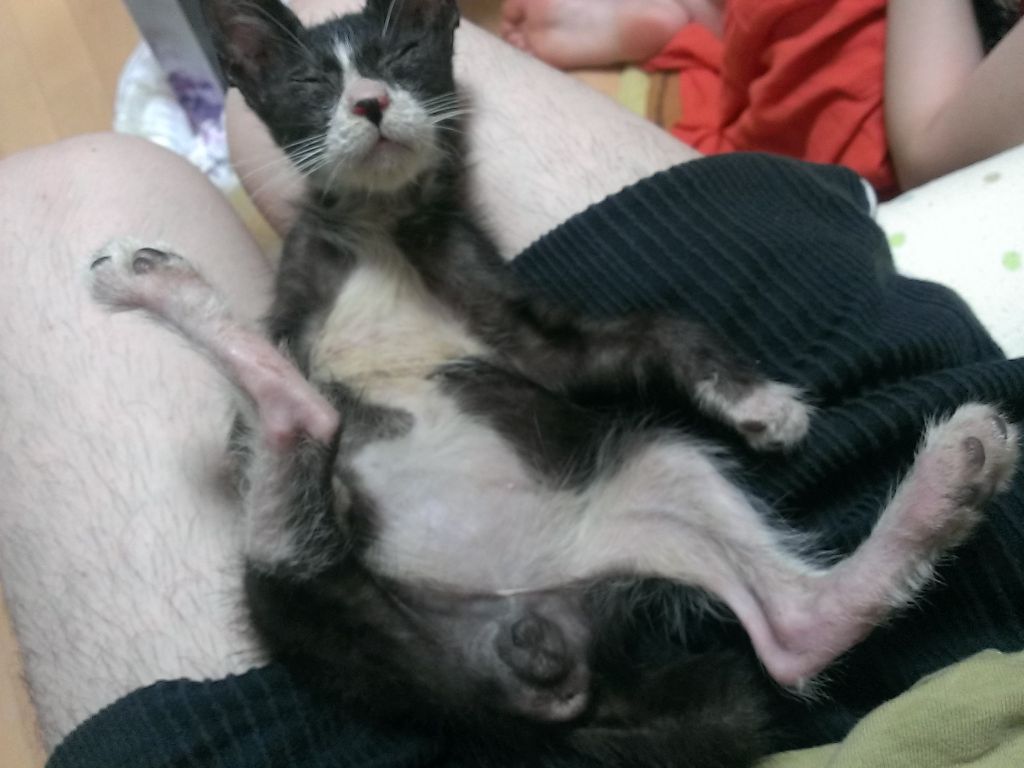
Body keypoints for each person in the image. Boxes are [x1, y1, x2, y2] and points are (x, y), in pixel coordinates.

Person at [1, 0, 1023, 765]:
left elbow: (556, 353)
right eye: (317, 92)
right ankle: (807, 606)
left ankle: (268, 399)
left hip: (405, 628)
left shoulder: (410, 243)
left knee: (53, 202)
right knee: (651, 459)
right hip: (566, 541)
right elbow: (563, 355)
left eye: (404, 63)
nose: (368, 96)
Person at [502, 0, 1024, 195]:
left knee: (784, 157)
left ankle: (700, 20)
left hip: (905, 93)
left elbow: (931, 152)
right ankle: (702, 16)